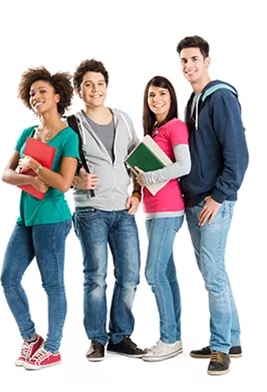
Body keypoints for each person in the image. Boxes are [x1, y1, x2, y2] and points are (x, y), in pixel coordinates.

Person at [176, 36, 249, 375]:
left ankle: (220, 348)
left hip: (213, 202)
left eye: (193, 59)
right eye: (183, 60)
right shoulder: (193, 100)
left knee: (214, 276)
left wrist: (219, 196)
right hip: (193, 200)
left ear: (207, 60)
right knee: (212, 272)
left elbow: (238, 155)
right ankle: (231, 338)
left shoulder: (220, 97)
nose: (188, 66)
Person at [1, 67, 79, 370]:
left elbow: (63, 183)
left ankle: (54, 348)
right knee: (8, 279)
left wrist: (36, 166)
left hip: (52, 219)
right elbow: (6, 174)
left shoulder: (68, 137)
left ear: (58, 96)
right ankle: (31, 338)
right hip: (26, 218)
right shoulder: (26, 133)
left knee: (53, 285)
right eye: (32, 93)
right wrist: (31, 181)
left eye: (43, 91)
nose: (37, 97)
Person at [71, 59, 145, 361]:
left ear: (106, 86)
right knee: (96, 277)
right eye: (88, 84)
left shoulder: (124, 119)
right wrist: (77, 178)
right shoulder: (71, 124)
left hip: (123, 211)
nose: (95, 89)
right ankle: (97, 339)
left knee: (129, 276)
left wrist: (137, 193)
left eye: (100, 84)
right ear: (79, 90)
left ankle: (120, 335)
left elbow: (138, 161)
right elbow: (61, 169)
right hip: (91, 213)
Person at [134, 76, 191, 362]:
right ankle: (174, 336)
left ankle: (169, 338)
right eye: (151, 95)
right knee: (166, 274)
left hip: (169, 210)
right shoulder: (154, 130)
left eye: (162, 94)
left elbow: (184, 165)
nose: (156, 99)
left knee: (153, 274)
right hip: (152, 211)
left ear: (172, 97)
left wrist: (150, 177)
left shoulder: (176, 127)